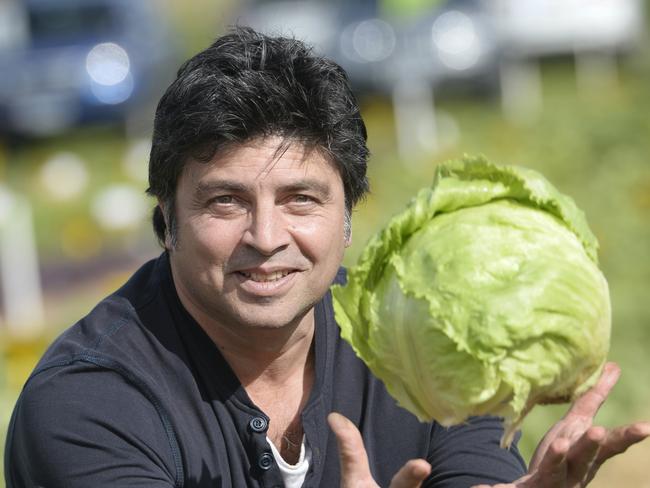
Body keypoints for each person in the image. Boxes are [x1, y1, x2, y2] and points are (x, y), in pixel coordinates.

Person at [5, 26, 648, 488]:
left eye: (301, 199)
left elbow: (476, 472)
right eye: (226, 202)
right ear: (167, 221)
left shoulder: (418, 348)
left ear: (346, 220)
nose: (266, 235)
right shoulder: (87, 403)